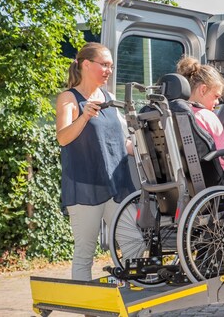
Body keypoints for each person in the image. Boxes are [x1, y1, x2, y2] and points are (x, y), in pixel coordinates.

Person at [56, 42, 136, 281]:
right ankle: (89, 310)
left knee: (134, 243)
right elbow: (63, 137)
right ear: (86, 65)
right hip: (85, 187)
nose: (109, 70)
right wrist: (84, 116)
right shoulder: (69, 98)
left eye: (111, 66)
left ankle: (125, 294)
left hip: (115, 185)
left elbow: (123, 142)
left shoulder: (109, 98)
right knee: (84, 254)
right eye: (104, 65)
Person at [176, 56, 224, 169]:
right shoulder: (207, 116)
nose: (217, 102)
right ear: (203, 90)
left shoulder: (169, 115)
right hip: (215, 183)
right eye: (216, 96)